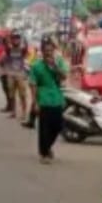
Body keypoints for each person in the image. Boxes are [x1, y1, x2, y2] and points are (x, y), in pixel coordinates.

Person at [29, 36, 68, 164]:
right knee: (44, 129)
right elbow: (33, 85)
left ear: (53, 51)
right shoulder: (36, 66)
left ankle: (47, 147)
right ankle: (44, 153)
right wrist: (35, 102)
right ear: (42, 51)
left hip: (57, 99)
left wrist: (55, 67)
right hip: (43, 100)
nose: (48, 53)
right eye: (46, 50)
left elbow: (64, 77)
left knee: (58, 127)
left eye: (50, 50)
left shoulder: (59, 63)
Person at [5, 30, 29, 121]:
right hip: (11, 74)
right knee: (11, 94)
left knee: (22, 95)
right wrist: (9, 35)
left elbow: (26, 46)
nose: (16, 40)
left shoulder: (22, 49)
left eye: (17, 38)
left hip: (20, 74)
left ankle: (24, 113)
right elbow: (5, 42)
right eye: (14, 38)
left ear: (20, 39)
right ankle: (13, 112)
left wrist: (24, 37)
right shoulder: (9, 49)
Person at [0, 36, 13, 113]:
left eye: (8, 42)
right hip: (5, 73)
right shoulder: (6, 51)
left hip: (7, 74)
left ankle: (10, 106)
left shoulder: (9, 51)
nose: (7, 44)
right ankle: (10, 106)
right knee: (7, 91)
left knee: (8, 91)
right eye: (6, 42)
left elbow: (0, 62)